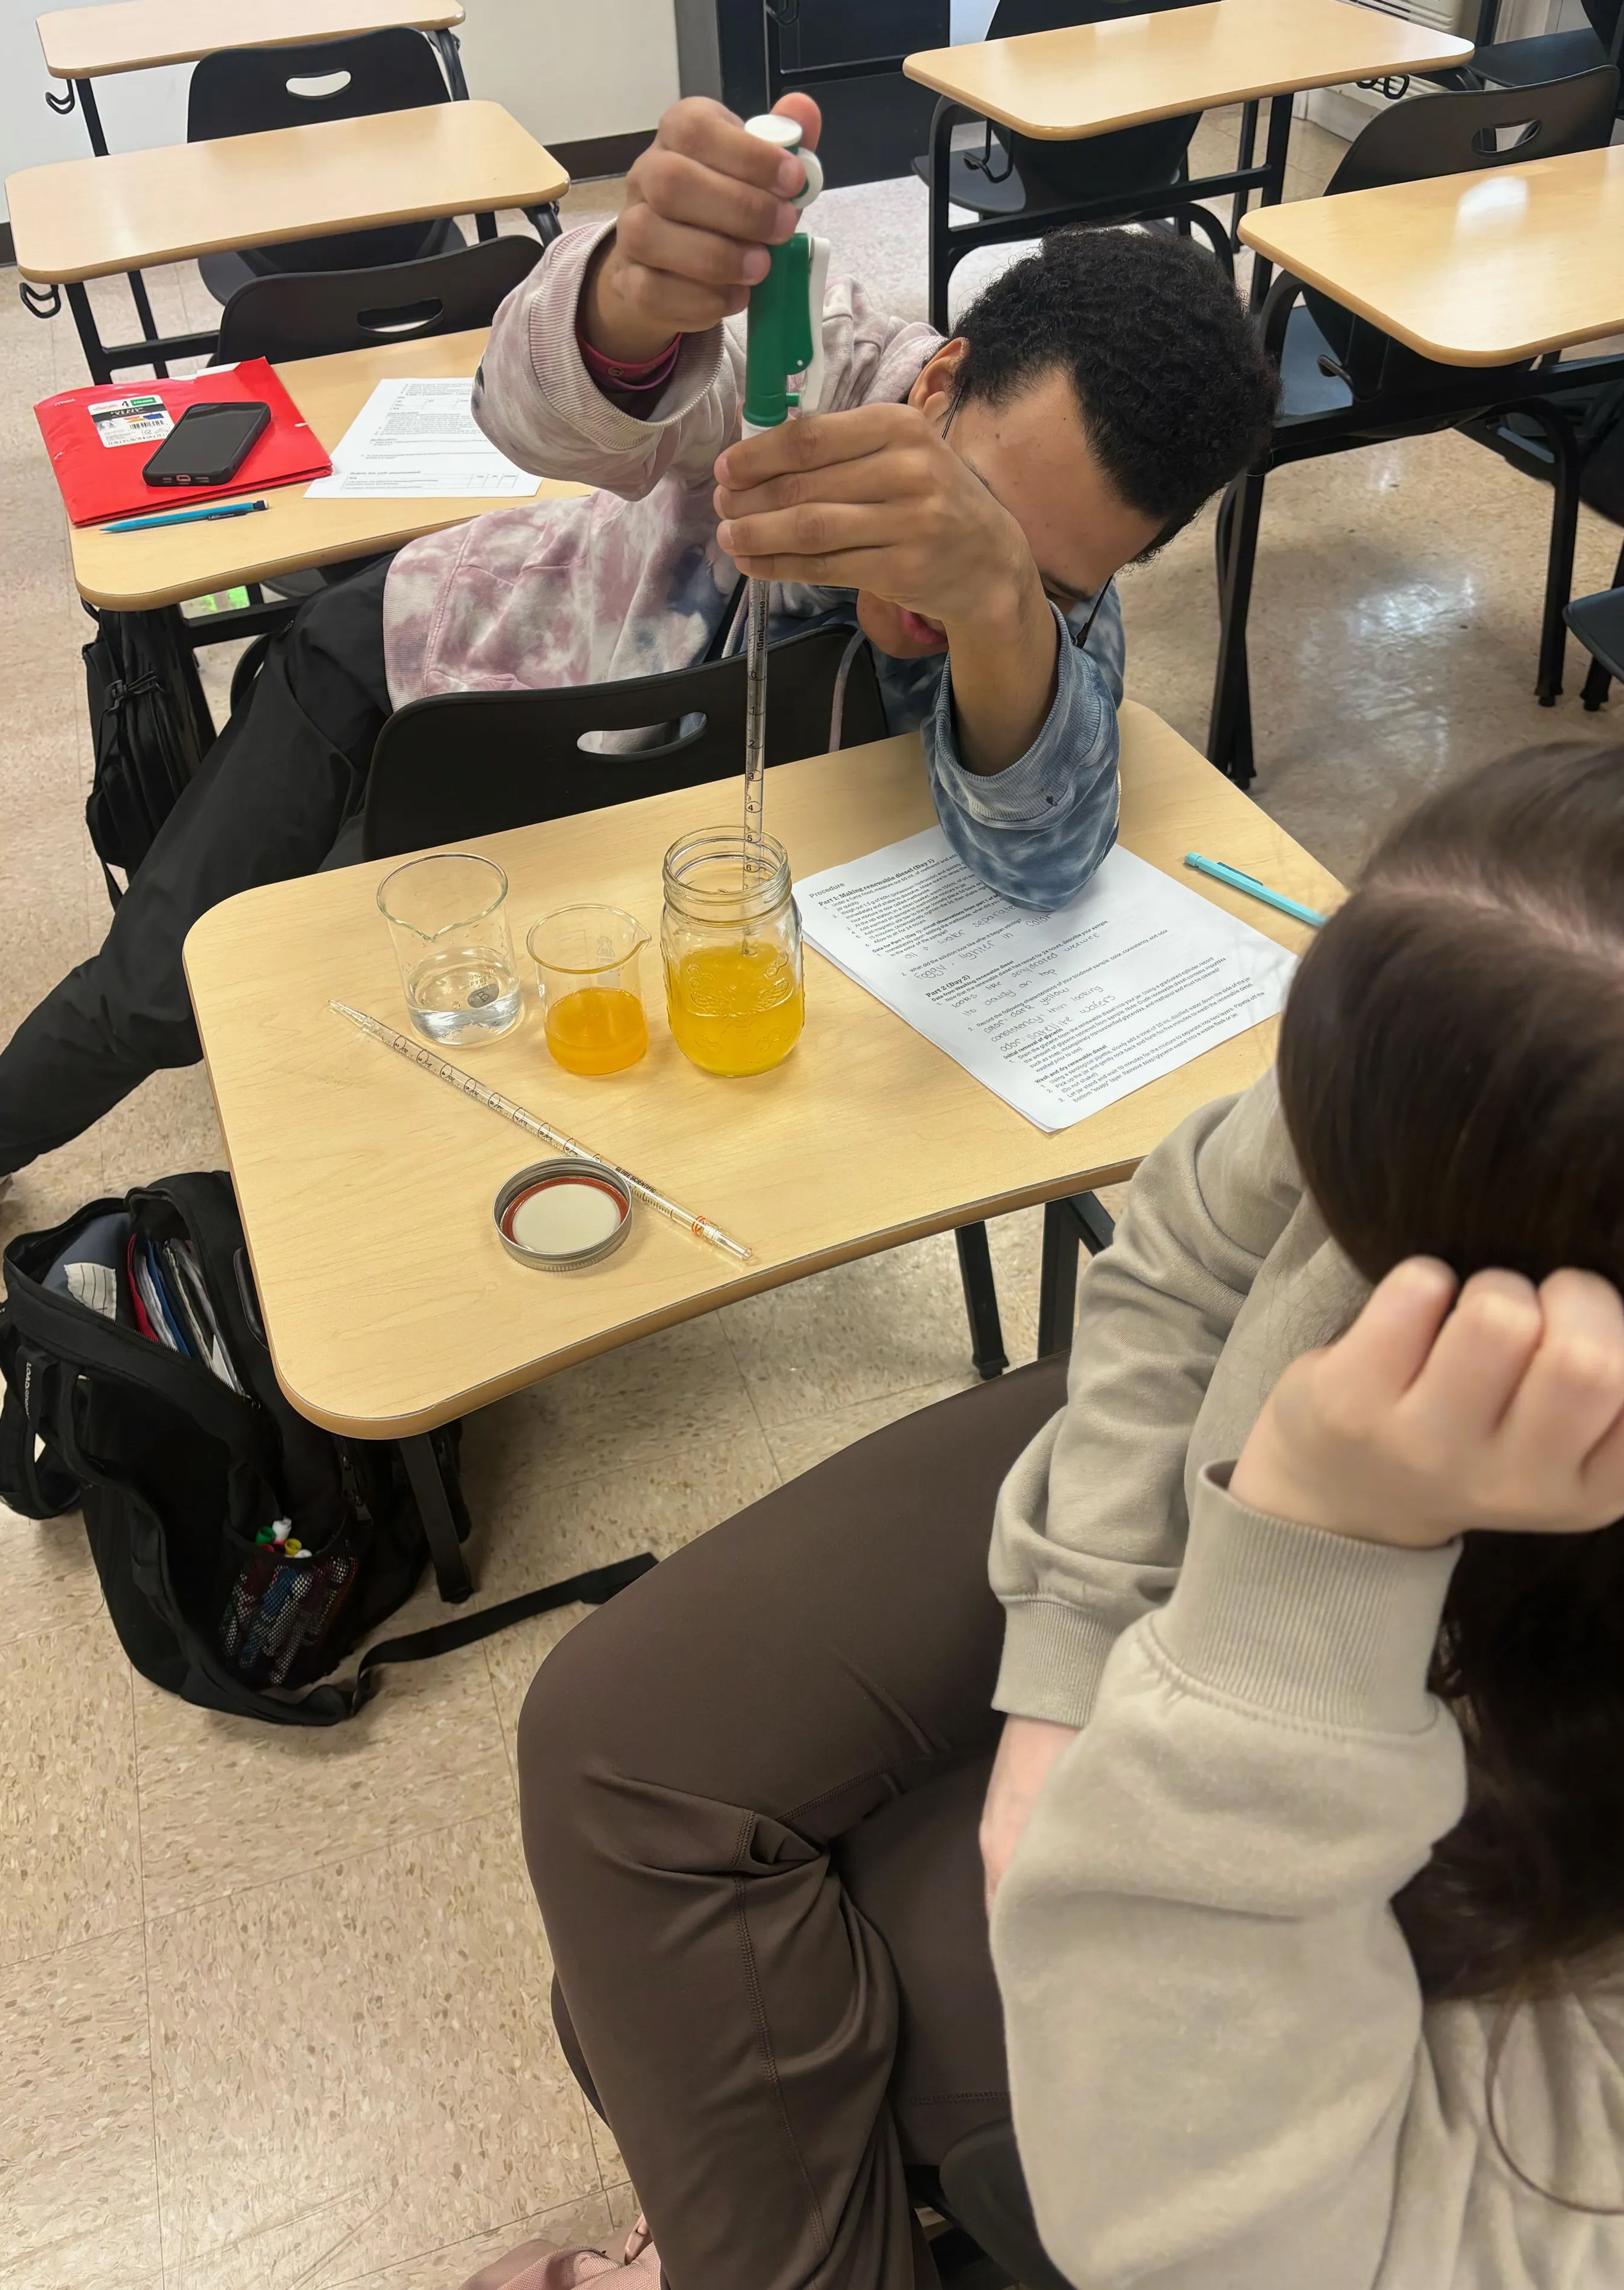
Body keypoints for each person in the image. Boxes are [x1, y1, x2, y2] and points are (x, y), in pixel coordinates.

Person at [508, 742, 1624, 2290]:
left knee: (692, 2008)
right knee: (615, 1756)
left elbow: (1299, 2240)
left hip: (1413, 1775)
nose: (1325, 1242)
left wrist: (1312, 1576)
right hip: (1260, 1540)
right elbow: (1186, 1243)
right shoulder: (1538, 992)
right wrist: (1067, 1677)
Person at [0, 93, 1277, 1289]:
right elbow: (549, 408)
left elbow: (1042, 854)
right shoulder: (814, 378)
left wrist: (1002, 599)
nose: (949, 581)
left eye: (1038, 572)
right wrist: (630, 301)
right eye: (963, 506)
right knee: (190, 983)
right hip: (407, 677)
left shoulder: (1056, 589)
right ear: (936, 382)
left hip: (601, 809)